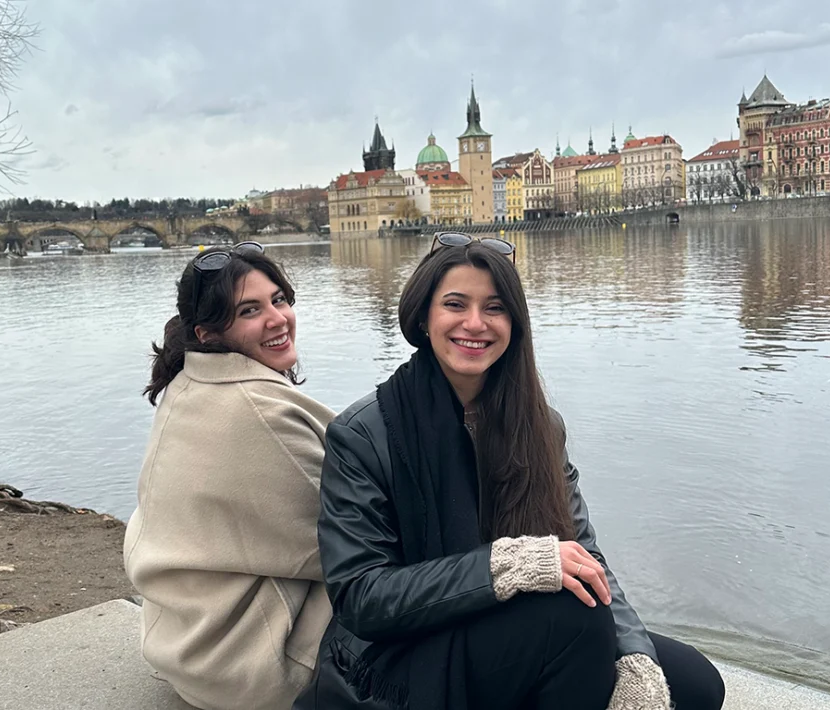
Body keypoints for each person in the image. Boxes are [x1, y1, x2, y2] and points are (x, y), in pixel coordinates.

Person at [295, 233, 725, 710]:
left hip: (508, 628)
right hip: (396, 659)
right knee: (570, 620)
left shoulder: (539, 427)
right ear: (423, 315)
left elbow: (584, 553)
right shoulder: (362, 433)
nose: (475, 324)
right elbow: (362, 598)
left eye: (495, 308)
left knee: (693, 682)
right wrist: (504, 566)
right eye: (455, 304)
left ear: (515, 323)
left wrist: (635, 659)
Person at [124, 242, 336, 710]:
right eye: (250, 311)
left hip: (187, 646)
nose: (278, 318)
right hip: (253, 668)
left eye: (279, 300)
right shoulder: (261, 414)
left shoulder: (186, 384)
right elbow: (349, 543)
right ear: (210, 333)